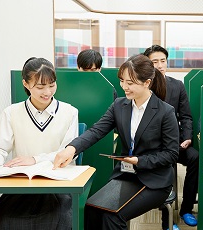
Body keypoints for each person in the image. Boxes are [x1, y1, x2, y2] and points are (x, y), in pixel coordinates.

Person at [53, 54, 179, 230]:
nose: (124, 87)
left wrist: (140, 161)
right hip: (126, 176)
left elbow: (171, 154)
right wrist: (72, 149)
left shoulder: (165, 112)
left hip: (154, 181)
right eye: (122, 81)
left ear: (147, 83)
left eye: (130, 83)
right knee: (91, 209)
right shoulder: (119, 106)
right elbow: (96, 131)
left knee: (113, 216)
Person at [0, 57, 78, 229]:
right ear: (26, 84)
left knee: (58, 221)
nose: (48, 92)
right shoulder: (11, 112)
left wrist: (35, 159)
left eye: (52, 85)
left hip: (56, 187)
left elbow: (68, 154)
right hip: (21, 187)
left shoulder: (69, 112)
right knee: (3, 221)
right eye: (40, 87)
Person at [144, 45, 199, 229]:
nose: (160, 65)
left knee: (194, 158)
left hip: (175, 143)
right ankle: (166, 219)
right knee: (165, 164)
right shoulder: (144, 86)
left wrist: (187, 137)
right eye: (154, 62)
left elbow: (186, 116)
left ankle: (186, 210)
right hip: (154, 147)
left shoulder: (177, 85)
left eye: (162, 61)